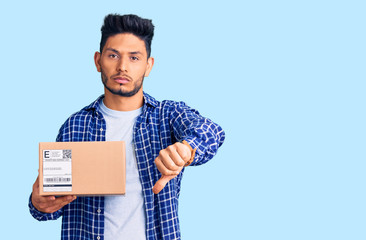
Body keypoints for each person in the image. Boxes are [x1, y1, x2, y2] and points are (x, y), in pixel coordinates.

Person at [29, 13, 225, 240]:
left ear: (148, 65)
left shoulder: (167, 115)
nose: (122, 67)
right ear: (98, 61)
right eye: (113, 55)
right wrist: (38, 203)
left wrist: (187, 149)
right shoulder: (74, 126)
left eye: (134, 58)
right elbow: (50, 205)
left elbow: (212, 132)